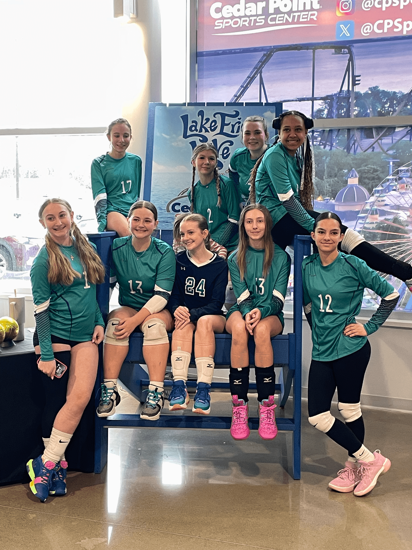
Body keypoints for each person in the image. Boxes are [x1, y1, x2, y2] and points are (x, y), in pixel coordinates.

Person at [249, 110, 412, 287]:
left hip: (283, 217)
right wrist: (318, 228)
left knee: (341, 240)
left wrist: (320, 228)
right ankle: (403, 273)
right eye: (287, 130)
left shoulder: (295, 157)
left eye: (298, 129)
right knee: (341, 235)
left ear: (305, 132)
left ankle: (399, 275)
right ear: (279, 133)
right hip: (275, 220)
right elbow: (288, 201)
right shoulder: (275, 155)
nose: (292, 134)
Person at [303, 212, 399, 496]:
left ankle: (354, 467)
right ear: (313, 235)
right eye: (322, 232)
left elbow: (390, 295)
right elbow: (308, 304)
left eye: (333, 232)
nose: (327, 237)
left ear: (341, 237)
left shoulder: (353, 264)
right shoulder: (307, 266)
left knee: (348, 410)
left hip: (350, 349)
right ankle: (371, 461)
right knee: (317, 415)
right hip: (322, 350)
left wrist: (368, 327)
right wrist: (318, 329)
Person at [27, 198, 106, 502]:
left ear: (72, 215)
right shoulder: (43, 260)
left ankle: (44, 463)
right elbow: (41, 312)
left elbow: (91, 292)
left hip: (86, 336)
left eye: (62, 215)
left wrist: (98, 320)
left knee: (80, 399)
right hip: (55, 336)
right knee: (57, 401)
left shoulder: (87, 248)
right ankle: (56, 466)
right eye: (51, 218)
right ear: (43, 223)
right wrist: (47, 354)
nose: (58, 222)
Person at [96, 200, 175, 421]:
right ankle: (110, 390)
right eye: (136, 219)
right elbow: (108, 286)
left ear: (155, 224)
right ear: (128, 221)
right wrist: (99, 319)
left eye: (147, 220)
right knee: (115, 324)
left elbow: (162, 297)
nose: (141, 225)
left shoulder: (164, 251)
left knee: (154, 326)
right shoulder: (116, 247)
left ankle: (155, 393)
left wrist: (134, 322)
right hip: (129, 306)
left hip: (158, 309)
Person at [226, 204, 291, 441]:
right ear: (243, 226)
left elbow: (278, 300)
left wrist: (260, 312)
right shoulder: (235, 257)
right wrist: (248, 313)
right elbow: (241, 296)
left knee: (262, 330)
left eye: (260, 221)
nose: (255, 226)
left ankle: (266, 406)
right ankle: (239, 406)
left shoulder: (281, 257)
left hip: (270, 313)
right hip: (242, 310)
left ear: (267, 224)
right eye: (249, 221)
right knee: (240, 329)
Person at [167, 213, 228, 414]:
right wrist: (176, 309)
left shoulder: (219, 264)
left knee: (204, 322)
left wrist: (191, 314)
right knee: (181, 325)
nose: (185, 238)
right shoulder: (178, 260)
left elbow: (216, 303)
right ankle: (179, 387)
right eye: (182, 234)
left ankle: (203, 390)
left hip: (213, 316)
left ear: (204, 233)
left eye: (190, 233)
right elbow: (174, 295)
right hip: (187, 317)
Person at [91, 118, 142, 236]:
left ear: (130, 137)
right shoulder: (98, 163)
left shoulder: (136, 161)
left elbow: (135, 193)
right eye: (117, 136)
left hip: (132, 211)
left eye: (125, 136)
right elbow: (100, 195)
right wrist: (102, 222)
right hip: (113, 211)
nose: (121, 140)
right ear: (109, 137)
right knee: (130, 235)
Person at [189, 143, 241, 253]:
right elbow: (198, 224)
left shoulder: (227, 185)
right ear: (193, 162)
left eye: (211, 158)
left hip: (230, 248)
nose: (207, 162)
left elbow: (235, 219)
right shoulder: (193, 192)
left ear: (216, 162)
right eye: (202, 157)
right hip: (205, 248)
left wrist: (216, 244)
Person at [229, 115, 269, 202]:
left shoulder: (275, 156)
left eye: (257, 132)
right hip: (250, 207)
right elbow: (233, 181)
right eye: (247, 133)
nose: (252, 137)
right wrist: (238, 201)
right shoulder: (237, 157)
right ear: (242, 136)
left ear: (266, 135)